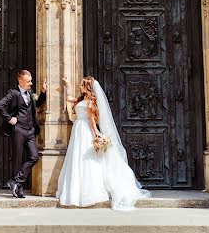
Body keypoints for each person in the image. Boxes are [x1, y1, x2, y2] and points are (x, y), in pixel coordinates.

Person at [56, 76, 150, 210]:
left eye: (82, 85)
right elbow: (68, 98)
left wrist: (97, 136)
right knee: (76, 157)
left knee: (86, 159)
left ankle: (89, 191)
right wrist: (67, 85)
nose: (80, 86)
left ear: (87, 87)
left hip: (84, 131)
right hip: (78, 130)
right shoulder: (81, 99)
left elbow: (92, 121)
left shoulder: (89, 103)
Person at [0, 70, 47, 198]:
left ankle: (16, 182)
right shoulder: (13, 93)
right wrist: (9, 119)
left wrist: (43, 92)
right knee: (17, 160)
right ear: (20, 81)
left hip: (30, 130)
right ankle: (18, 190)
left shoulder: (30, 93)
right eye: (28, 81)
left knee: (34, 156)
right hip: (18, 130)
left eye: (31, 80)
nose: (31, 83)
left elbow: (38, 104)